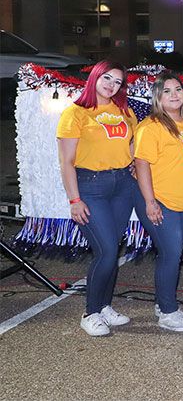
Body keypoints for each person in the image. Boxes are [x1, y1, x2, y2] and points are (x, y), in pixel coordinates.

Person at [57, 60, 137, 336]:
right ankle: (90, 312)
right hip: (91, 186)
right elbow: (67, 161)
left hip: (123, 186)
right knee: (105, 251)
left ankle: (104, 306)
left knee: (112, 249)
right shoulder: (75, 113)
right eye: (107, 78)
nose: (112, 85)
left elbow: (133, 141)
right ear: (94, 77)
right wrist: (74, 200)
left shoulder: (123, 110)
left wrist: (133, 162)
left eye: (117, 82)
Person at [134, 72, 183, 332]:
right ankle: (168, 312)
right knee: (171, 254)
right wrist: (150, 202)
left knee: (173, 255)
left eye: (178, 89)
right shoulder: (150, 127)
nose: (174, 95)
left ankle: (164, 303)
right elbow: (141, 164)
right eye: (167, 91)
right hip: (161, 201)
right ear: (158, 98)